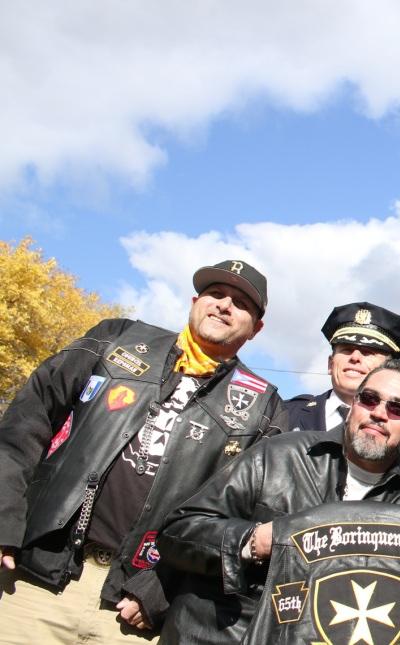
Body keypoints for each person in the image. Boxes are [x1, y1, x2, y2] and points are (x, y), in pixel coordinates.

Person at [0, 260, 286, 643]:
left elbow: (246, 520)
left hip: (133, 615)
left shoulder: (264, 407)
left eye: (240, 303)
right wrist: (5, 519)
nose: (224, 305)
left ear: (256, 328)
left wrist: (162, 585)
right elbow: (24, 424)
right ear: (194, 301)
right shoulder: (116, 338)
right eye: (215, 294)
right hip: (35, 578)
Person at [157, 359, 400, 644]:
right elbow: (177, 532)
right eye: (369, 400)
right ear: (353, 406)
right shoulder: (277, 456)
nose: (379, 414)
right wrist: (252, 541)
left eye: (398, 409)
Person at [285, 302, 400, 432]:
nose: (355, 357)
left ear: (388, 370)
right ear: (330, 363)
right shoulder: (285, 414)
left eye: (367, 352)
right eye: (347, 349)